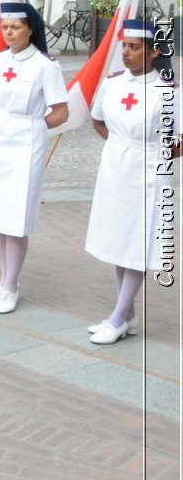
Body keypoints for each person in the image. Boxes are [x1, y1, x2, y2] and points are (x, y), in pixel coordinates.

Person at [0, 2, 69, 314]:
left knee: (17, 218)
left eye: (15, 27)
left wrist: (32, 125)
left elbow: (61, 112)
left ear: (30, 30)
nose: (8, 32)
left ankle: (12, 284)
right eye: (5, 27)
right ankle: (3, 277)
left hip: (25, 146)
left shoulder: (44, 66)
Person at [86, 20, 176, 344]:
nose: (125, 52)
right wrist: (120, 145)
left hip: (148, 171)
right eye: (124, 46)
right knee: (118, 240)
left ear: (153, 52)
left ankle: (116, 317)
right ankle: (128, 316)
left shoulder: (167, 91)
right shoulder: (112, 84)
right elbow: (97, 119)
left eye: (134, 47)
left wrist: (151, 151)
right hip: (115, 167)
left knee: (136, 243)